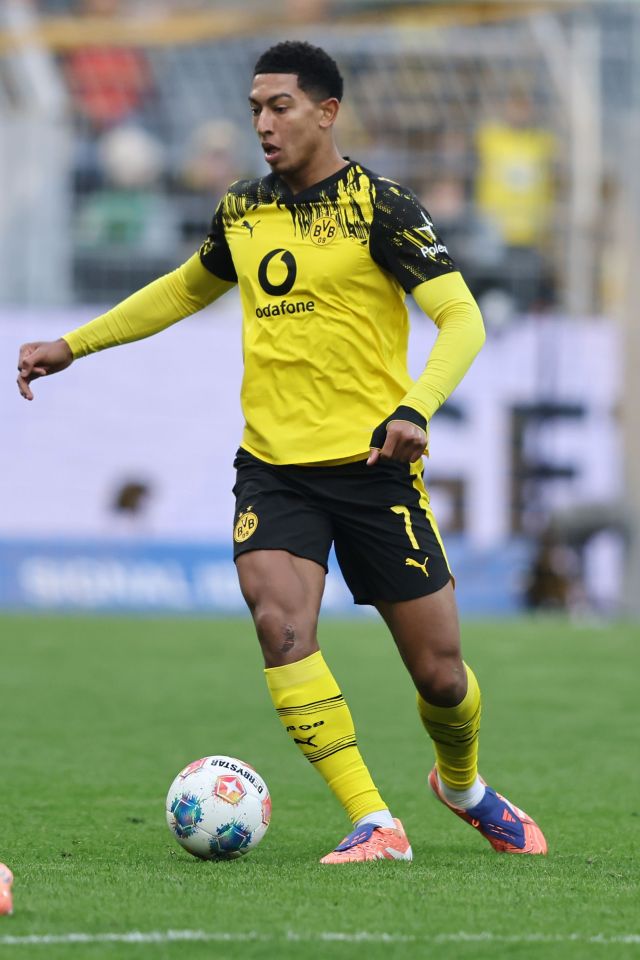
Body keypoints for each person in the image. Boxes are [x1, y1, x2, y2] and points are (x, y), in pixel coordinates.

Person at [17, 41, 547, 863]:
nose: (262, 124)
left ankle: (463, 785)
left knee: (442, 677)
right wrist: (73, 345)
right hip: (274, 466)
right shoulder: (243, 208)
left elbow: (463, 317)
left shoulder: (382, 204)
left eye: (280, 107)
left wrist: (416, 406)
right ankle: (375, 821)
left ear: (327, 112)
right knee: (279, 625)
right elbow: (185, 288)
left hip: (374, 466)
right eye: (255, 108)